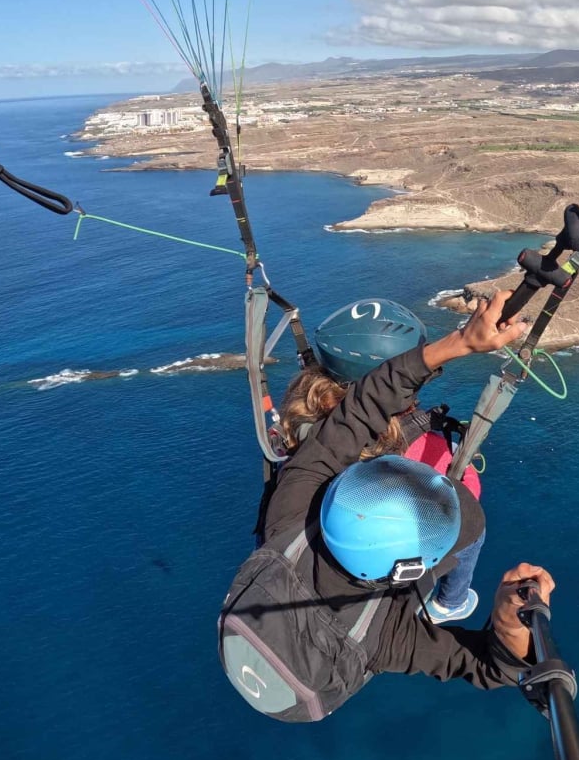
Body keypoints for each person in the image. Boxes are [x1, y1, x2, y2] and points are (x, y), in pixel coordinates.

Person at [219, 291, 556, 722]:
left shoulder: (292, 516)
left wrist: (461, 342)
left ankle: (452, 599)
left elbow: (358, 410)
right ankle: (451, 601)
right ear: (417, 567)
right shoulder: (294, 513)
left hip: (281, 650)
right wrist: (510, 623)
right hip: (290, 645)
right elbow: (493, 669)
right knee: (471, 521)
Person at [275, 298, 488, 623]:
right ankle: (451, 601)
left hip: (314, 540)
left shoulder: (305, 423)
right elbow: (466, 497)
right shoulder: (420, 444)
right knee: (474, 529)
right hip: (375, 552)